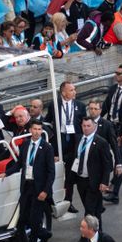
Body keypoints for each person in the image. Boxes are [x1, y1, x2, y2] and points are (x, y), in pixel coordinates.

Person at [0, 120, 54, 242]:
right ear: (30, 130)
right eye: (35, 129)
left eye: (40, 129)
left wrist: (45, 191)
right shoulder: (25, 145)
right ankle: (45, 233)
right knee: (23, 219)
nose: (37, 132)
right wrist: (6, 173)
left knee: (35, 220)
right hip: (27, 186)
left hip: (39, 188)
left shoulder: (46, 148)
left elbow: (51, 172)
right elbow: (19, 164)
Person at [45, 81, 87, 213]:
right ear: (64, 92)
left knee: (70, 173)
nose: (75, 92)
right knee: (55, 170)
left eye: (74, 89)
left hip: (73, 141)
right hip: (59, 139)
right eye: (72, 90)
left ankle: (68, 201)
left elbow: (83, 123)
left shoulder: (80, 105)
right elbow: (48, 121)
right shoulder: (54, 104)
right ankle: (53, 200)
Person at [71, 117, 113, 229]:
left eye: (88, 126)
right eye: (84, 126)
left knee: (89, 211)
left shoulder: (101, 142)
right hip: (81, 180)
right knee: (94, 210)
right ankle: (99, 234)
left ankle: (85, 240)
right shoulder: (79, 139)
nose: (86, 128)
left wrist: (104, 182)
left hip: (93, 181)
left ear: (94, 127)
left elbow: (107, 164)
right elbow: (75, 158)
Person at [101, 65, 122, 204]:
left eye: (119, 73)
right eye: (115, 72)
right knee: (115, 158)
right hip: (111, 126)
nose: (116, 75)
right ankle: (111, 187)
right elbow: (105, 107)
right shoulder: (113, 89)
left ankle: (114, 192)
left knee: (120, 160)